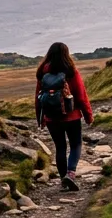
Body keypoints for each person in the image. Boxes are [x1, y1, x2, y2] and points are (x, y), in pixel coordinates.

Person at [35, 42, 93, 191]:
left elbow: (38, 98)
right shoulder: (71, 71)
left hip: (51, 118)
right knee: (76, 145)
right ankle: (70, 174)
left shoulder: (42, 72)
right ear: (66, 54)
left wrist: (40, 118)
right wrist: (88, 115)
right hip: (71, 116)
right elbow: (81, 96)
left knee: (60, 147)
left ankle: (63, 181)